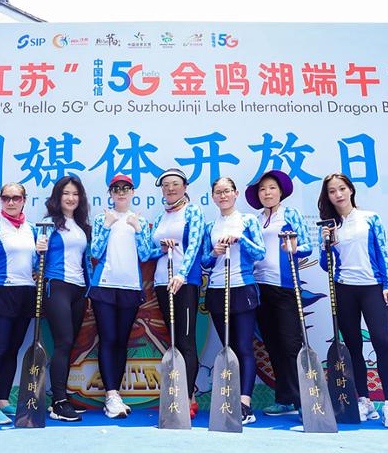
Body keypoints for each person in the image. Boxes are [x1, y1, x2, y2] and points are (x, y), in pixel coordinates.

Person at [318, 173, 388, 429]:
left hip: (372, 289)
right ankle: (364, 401)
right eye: (332, 191)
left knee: (381, 342)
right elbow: (325, 265)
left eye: (342, 189)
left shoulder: (370, 218)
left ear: (351, 190)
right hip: (345, 289)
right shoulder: (330, 226)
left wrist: (387, 285)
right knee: (353, 347)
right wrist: (326, 243)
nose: (338, 194)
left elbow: (382, 252)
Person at [245, 170, 312, 417]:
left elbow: (307, 246)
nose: (267, 193)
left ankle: (304, 401)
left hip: (285, 286)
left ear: (280, 191)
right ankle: (285, 399)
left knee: (291, 343)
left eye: (272, 188)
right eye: (262, 189)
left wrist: (293, 247)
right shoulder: (255, 220)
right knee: (272, 344)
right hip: (259, 286)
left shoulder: (290, 214)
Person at [201, 177, 266, 424]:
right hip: (217, 290)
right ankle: (230, 399)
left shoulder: (248, 221)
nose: (223, 196)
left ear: (235, 193)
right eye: (218, 192)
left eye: (227, 191)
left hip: (242, 287)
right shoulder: (210, 226)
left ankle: (245, 404)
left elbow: (260, 253)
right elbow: (204, 262)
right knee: (228, 348)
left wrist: (241, 239)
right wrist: (214, 252)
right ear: (213, 197)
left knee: (244, 347)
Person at [89, 174, 151, 419]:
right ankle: (111, 395)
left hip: (130, 288)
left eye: (126, 188)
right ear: (111, 193)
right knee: (108, 338)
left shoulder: (140, 220)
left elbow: (145, 255)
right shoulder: (102, 218)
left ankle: (115, 394)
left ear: (133, 192)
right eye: (116, 189)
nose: (121, 192)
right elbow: (95, 251)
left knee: (121, 341)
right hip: (104, 286)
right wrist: (107, 225)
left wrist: (138, 229)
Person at [0, 182, 39, 425]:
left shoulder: (32, 229)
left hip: (26, 292)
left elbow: (36, 265)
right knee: (0, 349)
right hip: (2, 291)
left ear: (24, 200)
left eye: (16, 198)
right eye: (6, 198)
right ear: (1, 200)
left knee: (14, 349)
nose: (11, 202)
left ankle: (3, 399)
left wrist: (41, 255)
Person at [148, 168, 204, 419]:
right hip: (162, 283)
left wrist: (181, 274)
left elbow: (194, 246)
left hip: (185, 283)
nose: (170, 189)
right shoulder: (161, 216)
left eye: (175, 184)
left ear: (185, 187)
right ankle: (178, 392)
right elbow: (149, 253)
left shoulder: (193, 212)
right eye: (166, 185)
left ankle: (188, 397)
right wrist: (160, 249)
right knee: (173, 342)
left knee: (186, 340)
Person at [36, 176, 92, 422]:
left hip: (78, 290)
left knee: (69, 345)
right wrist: (38, 250)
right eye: (66, 193)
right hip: (56, 286)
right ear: (57, 197)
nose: (71, 198)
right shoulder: (49, 225)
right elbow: (35, 258)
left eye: (75, 194)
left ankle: (62, 397)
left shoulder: (82, 226)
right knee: (63, 342)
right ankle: (58, 402)